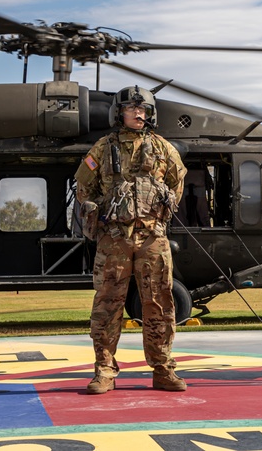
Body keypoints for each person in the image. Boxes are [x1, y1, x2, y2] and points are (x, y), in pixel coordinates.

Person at [75, 86, 187, 395]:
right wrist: (99, 211)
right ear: (119, 113)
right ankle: (104, 371)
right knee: (107, 305)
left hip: (153, 237)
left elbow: (178, 181)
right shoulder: (102, 148)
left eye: (144, 109)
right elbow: (83, 186)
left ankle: (163, 369)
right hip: (114, 239)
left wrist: (163, 208)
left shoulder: (163, 148)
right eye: (132, 108)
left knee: (159, 303)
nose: (139, 113)